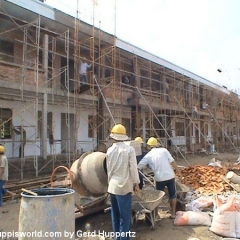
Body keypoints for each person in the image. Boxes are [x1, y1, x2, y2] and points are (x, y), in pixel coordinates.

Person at [106, 124, 140, 240]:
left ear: (113, 137)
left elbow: (109, 170)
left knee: (115, 216)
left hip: (112, 187)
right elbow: (133, 169)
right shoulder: (129, 150)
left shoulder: (109, 150)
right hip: (124, 187)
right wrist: (136, 184)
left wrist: (109, 183)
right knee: (125, 217)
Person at [137, 137, 181, 219]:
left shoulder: (148, 156)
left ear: (149, 146)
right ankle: (173, 214)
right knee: (172, 195)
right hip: (170, 176)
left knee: (157, 197)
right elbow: (172, 161)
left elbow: (138, 167)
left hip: (159, 179)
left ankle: (156, 215)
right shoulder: (164, 150)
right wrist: (178, 171)